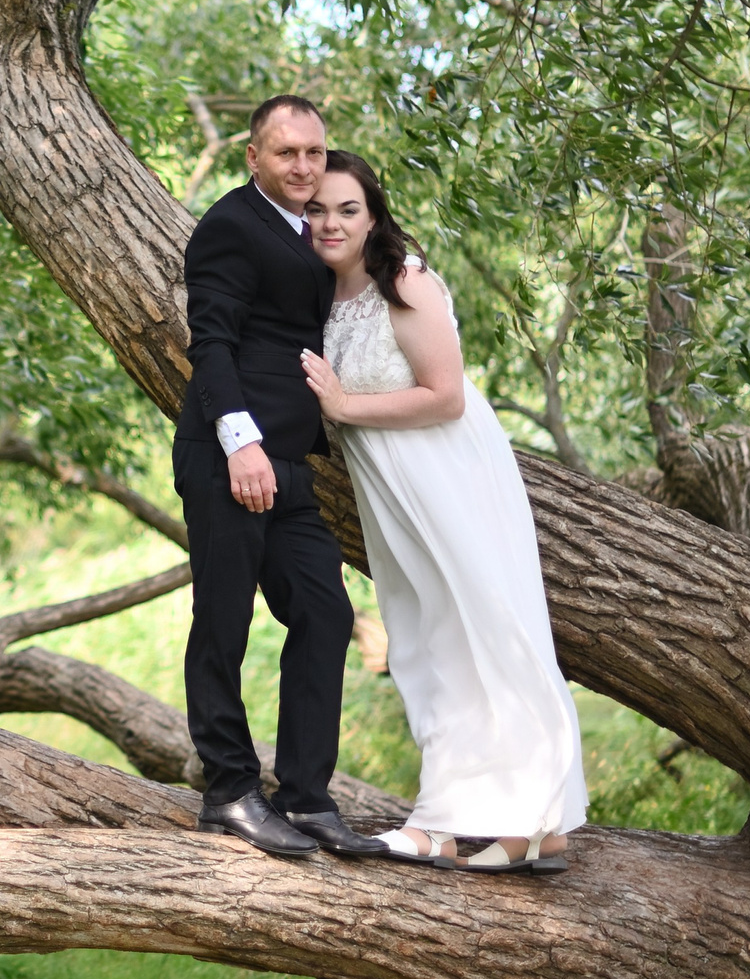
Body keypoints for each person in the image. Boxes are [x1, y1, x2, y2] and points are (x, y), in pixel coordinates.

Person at [298, 149, 588, 874]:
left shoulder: (406, 281)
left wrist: (342, 405)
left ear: (374, 215)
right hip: (389, 491)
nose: (330, 222)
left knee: (478, 635)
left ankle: (489, 823)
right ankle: (512, 825)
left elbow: (447, 394)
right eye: (316, 209)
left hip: (448, 479)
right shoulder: (318, 294)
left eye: (347, 208)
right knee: (424, 642)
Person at [176, 96, 389, 861]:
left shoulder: (313, 226)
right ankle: (229, 791)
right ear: (254, 157)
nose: (303, 166)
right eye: (286, 153)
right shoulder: (233, 225)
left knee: (326, 614)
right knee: (224, 622)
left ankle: (305, 795)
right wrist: (241, 443)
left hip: (292, 468)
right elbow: (212, 341)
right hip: (231, 455)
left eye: (314, 153)